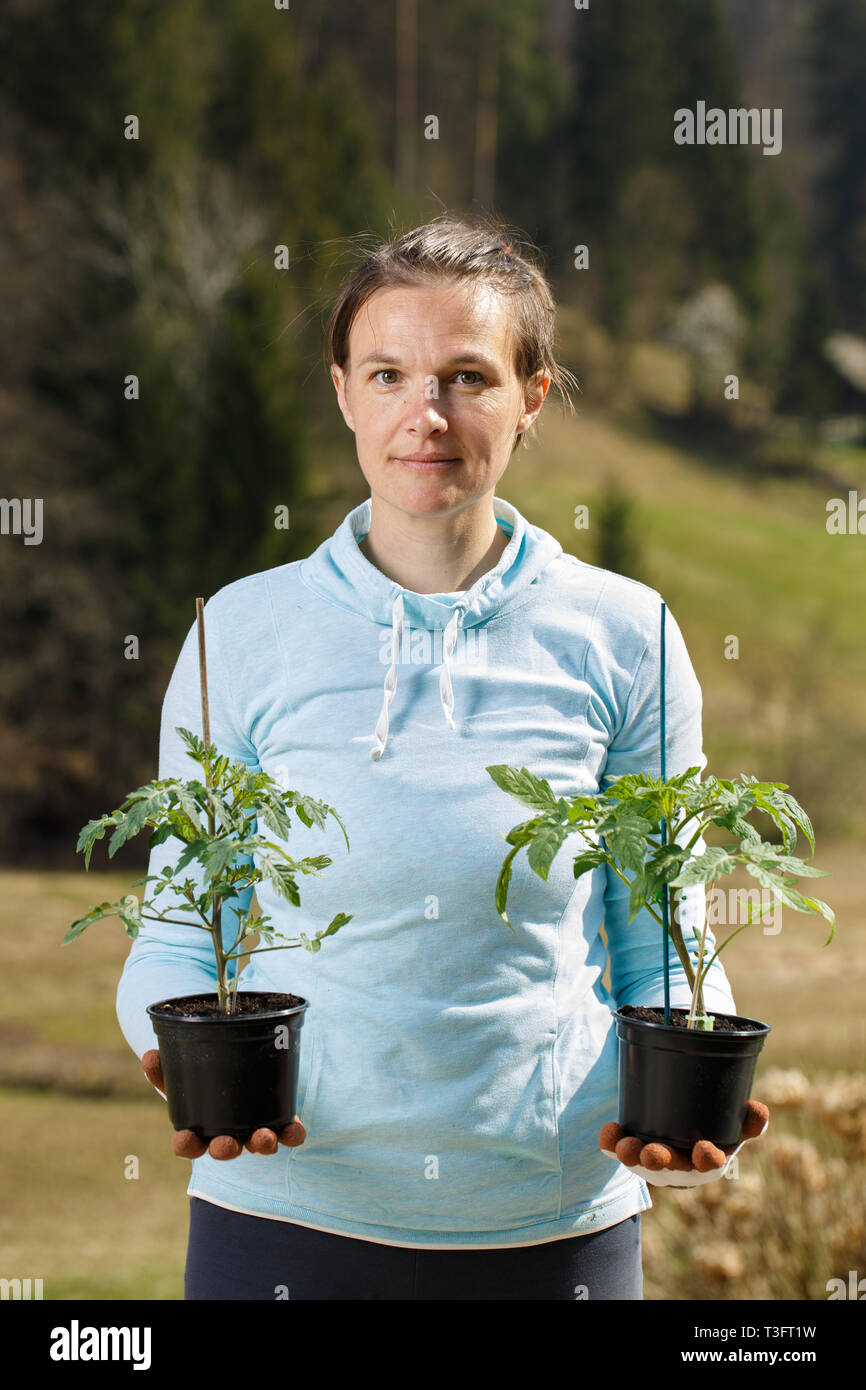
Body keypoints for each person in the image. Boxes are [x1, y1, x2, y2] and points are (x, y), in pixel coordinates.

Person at [118, 216, 767, 1301]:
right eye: (388, 373)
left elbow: (663, 939)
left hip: (550, 1228)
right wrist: (174, 1058)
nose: (426, 415)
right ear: (343, 393)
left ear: (531, 400)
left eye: (467, 377)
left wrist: (687, 1112)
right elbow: (183, 927)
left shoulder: (625, 633)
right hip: (282, 1216)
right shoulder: (241, 631)